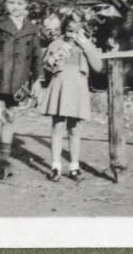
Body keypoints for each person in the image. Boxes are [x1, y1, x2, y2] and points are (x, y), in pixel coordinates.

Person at [0, 0, 42, 180]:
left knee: (10, 116)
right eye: (12, 2)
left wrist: (37, 79)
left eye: (20, 3)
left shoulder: (31, 28)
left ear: (27, 5)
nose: (16, 7)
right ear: (5, 3)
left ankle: (5, 157)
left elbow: (37, 56)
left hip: (20, 80)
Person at [40, 11, 102, 182]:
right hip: (60, 85)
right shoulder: (56, 43)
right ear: (63, 29)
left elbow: (98, 67)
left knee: (75, 128)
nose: (72, 35)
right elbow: (47, 66)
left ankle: (74, 167)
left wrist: (86, 46)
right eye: (69, 31)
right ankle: (55, 167)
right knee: (58, 126)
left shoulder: (86, 44)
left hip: (78, 86)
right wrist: (56, 56)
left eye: (77, 31)